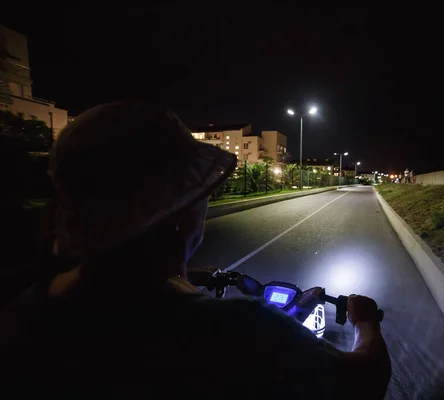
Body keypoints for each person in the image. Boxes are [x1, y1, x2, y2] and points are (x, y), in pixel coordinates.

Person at [0, 102, 390, 399]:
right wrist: (365, 320)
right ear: (180, 215)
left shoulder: (24, 312)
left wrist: (188, 279)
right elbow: (364, 379)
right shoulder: (237, 330)